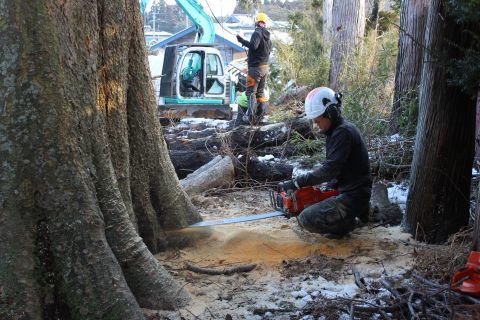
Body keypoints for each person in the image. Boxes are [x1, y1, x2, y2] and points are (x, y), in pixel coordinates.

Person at [278, 87, 372, 236]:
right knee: (308, 204)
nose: (316, 125)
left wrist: (298, 182)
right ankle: (353, 215)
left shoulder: (343, 132)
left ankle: (349, 223)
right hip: (345, 190)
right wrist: (324, 193)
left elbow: (330, 170)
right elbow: (339, 171)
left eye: (318, 121)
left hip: (354, 195)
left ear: (331, 113)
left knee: (307, 218)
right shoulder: (335, 132)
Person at [236, 12, 272, 125]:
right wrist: (252, 58)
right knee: (260, 93)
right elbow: (266, 51)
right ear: (265, 22)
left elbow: (253, 46)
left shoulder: (257, 32)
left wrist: (241, 41)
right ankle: (260, 116)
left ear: (256, 22)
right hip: (264, 68)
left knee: (250, 92)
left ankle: (251, 117)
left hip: (255, 70)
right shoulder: (268, 35)